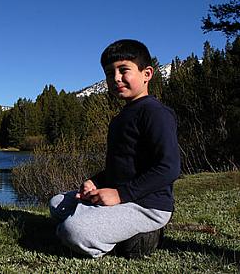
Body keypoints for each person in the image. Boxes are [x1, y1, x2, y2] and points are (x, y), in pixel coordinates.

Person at [49, 39, 181, 258]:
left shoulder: (155, 112)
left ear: (147, 73)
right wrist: (96, 182)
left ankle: (143, 238)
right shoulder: (121, 117)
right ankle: (106, 227)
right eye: (110, 73)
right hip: (121, 199)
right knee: (56, 203)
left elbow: (169, 168)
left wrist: (121, 194)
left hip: (147, 205)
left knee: (72, 231)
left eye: (124, 70)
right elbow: (122, 166)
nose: (116, 78)